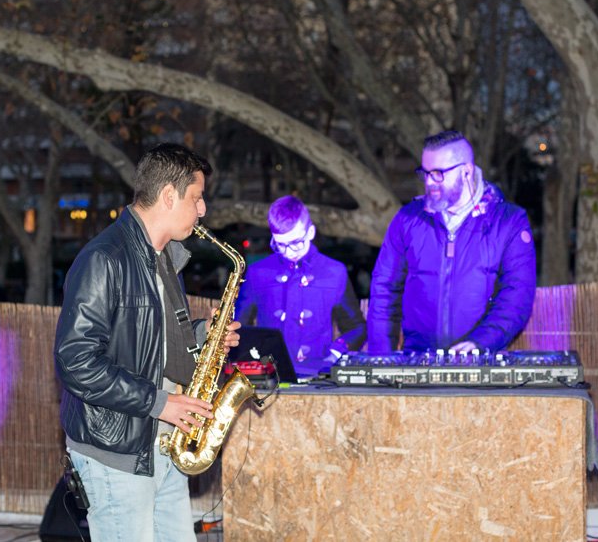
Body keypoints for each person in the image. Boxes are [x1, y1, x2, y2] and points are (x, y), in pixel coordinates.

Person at [54, 143, 240, 542]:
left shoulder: (163, 256)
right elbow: (75, 361)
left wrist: (205, 337)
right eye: (197, 197)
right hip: (118, 452)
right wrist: (161, 402)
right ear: (169, 196)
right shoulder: (104, 258)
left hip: (162, 444)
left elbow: (153, 342)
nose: (203, 209)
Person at [367, 130, 536, 354]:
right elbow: (384, 288)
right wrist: (381, 358)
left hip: (482, 364)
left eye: (438, 173)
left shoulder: (509, 222)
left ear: (466, 171)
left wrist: (481, 342)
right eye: (425, 173)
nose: (429, 182)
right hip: (418, 361)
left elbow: (517, 294)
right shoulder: (408, 218)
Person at [234, 196, 366, 366]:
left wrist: (334, 353)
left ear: (311, 232)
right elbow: (238, 327)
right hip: (269, 374)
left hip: (318, 374)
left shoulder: (334, 272)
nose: (289, 252)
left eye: (296, 243)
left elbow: (356, 328)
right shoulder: (257, 272)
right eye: (280, 245)